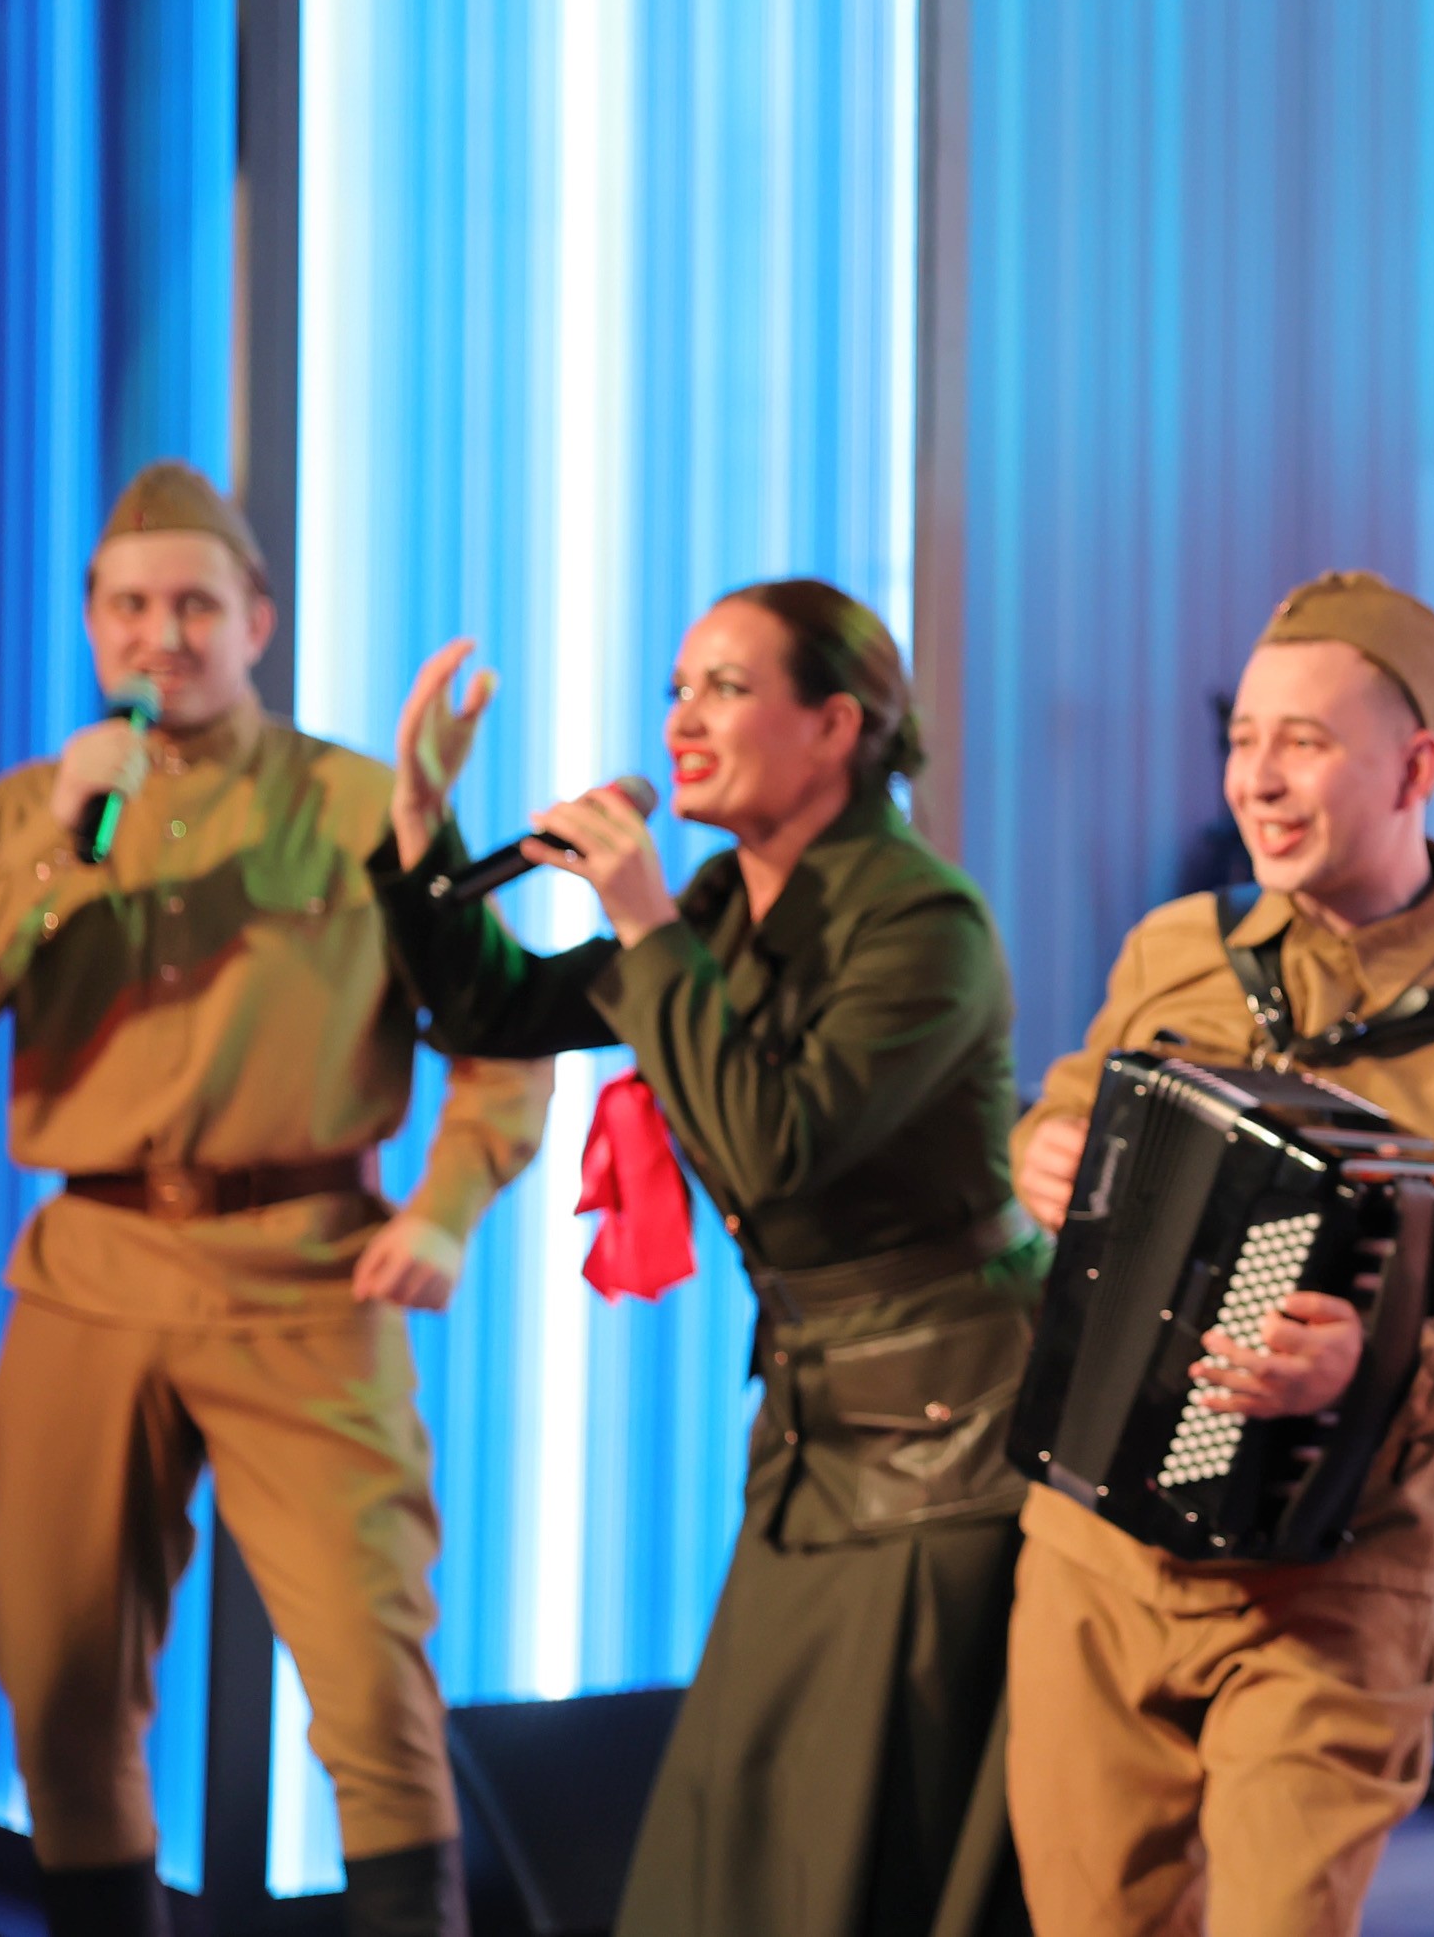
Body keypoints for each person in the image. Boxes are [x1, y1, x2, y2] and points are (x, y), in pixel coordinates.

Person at [0, 462, 554, 1937]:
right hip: (91, 1269)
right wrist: (62, 846)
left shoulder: (361, 803)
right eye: (130, 606)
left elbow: (500, 1027)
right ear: (91, 624)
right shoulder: (28, 809)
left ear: (257, 617)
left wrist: (445, 1206)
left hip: (310, 1271)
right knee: (56, 1670)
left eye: (194, 603)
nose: (160, 633)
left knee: (372, 1672)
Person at [368, 579, 1034, 1937]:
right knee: (737, 1815)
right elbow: (496, 1006)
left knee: (859, 1831)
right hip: (818, 1420)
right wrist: (425, 827)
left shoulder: (925, 923)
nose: (682, 718)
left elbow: (776, 1141)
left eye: (726, 687)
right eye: (678, 687)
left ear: (836, 725)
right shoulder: (729, 900)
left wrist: (642, 916)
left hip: (950, 1436)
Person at [1003, 570, 1434, 1937]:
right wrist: (1045, 1148)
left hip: (1334, 1584)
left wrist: (1378, 1364)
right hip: (1092, 1560)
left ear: (1416, 766)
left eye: (1306, 741)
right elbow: (1075, 1101)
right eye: (1245, 738)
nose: (1260, 779)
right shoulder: (1177, 949)